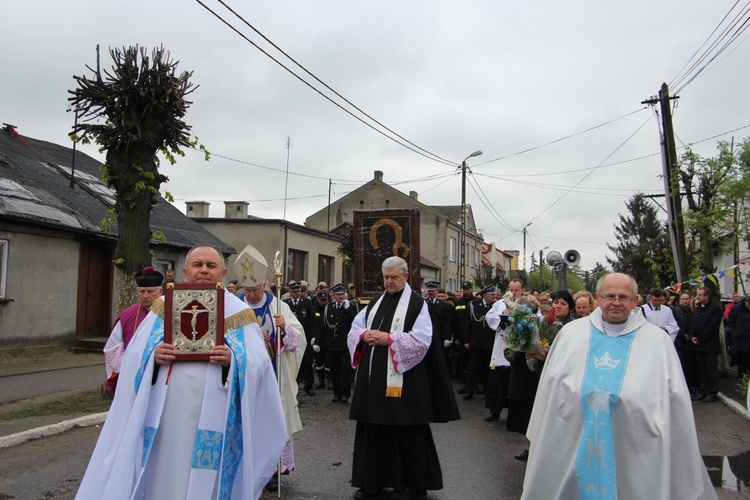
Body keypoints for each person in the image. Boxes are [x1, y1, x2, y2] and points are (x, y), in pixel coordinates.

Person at [77, 244, 286, 499]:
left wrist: (234, 359)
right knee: (165, 470)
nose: (204, 271)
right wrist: (153, 356)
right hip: (166, 414)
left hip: (217, 411)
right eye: (198, 265)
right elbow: (133, 356)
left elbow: (260, 364)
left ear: (222, 271)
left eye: (211, 265)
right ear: (184, 271)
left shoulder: (239, 312)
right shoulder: (163, 307)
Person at [522, 273, 716, 499]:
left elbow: (675, 402)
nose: (616, 302)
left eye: (623, 297)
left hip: (634, 448)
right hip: (572, 441)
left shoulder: (657, 342)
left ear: (635, 301)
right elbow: (549, 389)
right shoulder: (571, 334)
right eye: (610, 296)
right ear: (598, 298)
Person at [348, 256, 459, 500]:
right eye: (386, 277)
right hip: (373, 381)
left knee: (407, 431)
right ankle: (372, 483)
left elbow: (422, 341)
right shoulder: (375, 302)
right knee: (373, 429)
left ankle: (412, 485)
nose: (389, 281)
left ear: (406, 276)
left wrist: (389, 339)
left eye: (394, 277)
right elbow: (356, 329)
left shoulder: (418, 304)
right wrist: (364, 335)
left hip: (404, 381)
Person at [236, 245, 306, 489]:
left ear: (264, 285)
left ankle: (273, 470)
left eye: (255, 290)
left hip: (274, 374)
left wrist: (283, 329)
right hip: (242, 375)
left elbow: (298, 339)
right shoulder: (234, 307)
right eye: (247, 290)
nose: (252, 295)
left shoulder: (279, 307)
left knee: (272, 418)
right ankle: (245, 468)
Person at [103, 266, 163, 396]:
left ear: (160, 292)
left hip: (161, 375)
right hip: (131, 375)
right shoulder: (127, 316)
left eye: (150, 291)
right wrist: (133, 364)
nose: (145, 296)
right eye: (141, 291)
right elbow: (113, 348)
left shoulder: (170, 313)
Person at [319, 283, 357, 403]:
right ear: (333, 295)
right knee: (334, 369)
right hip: (332, 343)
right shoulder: (329, 307)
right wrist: (317, 340)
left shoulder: (351, 306)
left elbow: (355, 322)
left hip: (345, 344)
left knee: (345, 369)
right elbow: (324, 325)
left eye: (342, 294)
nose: (340, 297)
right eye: (338, 294)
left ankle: (345, 393)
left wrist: (347, 308)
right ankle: (336, 393)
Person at [463, 285, 498, 401]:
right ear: (484, 295)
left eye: (494, 294)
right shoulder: (473, 305)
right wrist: (466, 340)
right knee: (472, 368)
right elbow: (468, 324)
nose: (494, 296)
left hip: (490, 342)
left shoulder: (496, 306)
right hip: (476, 341)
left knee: (488, 369)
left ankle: (487, 391)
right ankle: (469, 390)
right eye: (491, 294)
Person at [690, 286, 723, 403]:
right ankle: (703, 391)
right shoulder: (698, 308)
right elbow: (693, 323)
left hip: (709, 345)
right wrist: (692, 336)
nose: (697, 297)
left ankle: (712, 392)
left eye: (700, 295)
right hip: (698, 345)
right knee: (702, 369)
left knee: (711, 369)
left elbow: (711, 327)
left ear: (706, 297)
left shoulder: (715, 310)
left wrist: (700, 338)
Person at [285, 281, 316, 396]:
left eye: (298, 291)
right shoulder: (285, 303)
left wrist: (313, 336)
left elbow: (312, 320)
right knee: (293, 361)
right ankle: (295, 386)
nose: (297, 294)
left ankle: (309, 385)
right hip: (291, 336)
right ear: (290, 292)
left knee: (307, 362)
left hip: (305, 336)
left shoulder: (307, 303)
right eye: (294, 292)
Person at [673, 291, 699, 394]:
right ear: (680, 300)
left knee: (692, 365)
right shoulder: (676, 311)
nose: (685, 301)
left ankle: (693, 386)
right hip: (680, 342)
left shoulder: (693, 311)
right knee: (681, 365)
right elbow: (675, 325)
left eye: (687, 299)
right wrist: (684, 335)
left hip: (692, 342)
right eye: (683, 299)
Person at [453, 281, 476, 392]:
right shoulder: (458, 302)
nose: (466, 291)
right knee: (463, 360)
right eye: (464, 289)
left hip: (473, 337)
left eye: (467, 289)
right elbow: (455, 321)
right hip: (461, 337)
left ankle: (474, 383)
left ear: (471, 289)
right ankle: (464, 382)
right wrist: (456, 337)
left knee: (473, 362)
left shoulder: (476, 302)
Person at [728, 294, 750, 379]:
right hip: (741, 339)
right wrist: (735, 332)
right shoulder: (737, 308)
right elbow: (730, 321)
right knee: (741, 359)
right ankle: (741, 376)